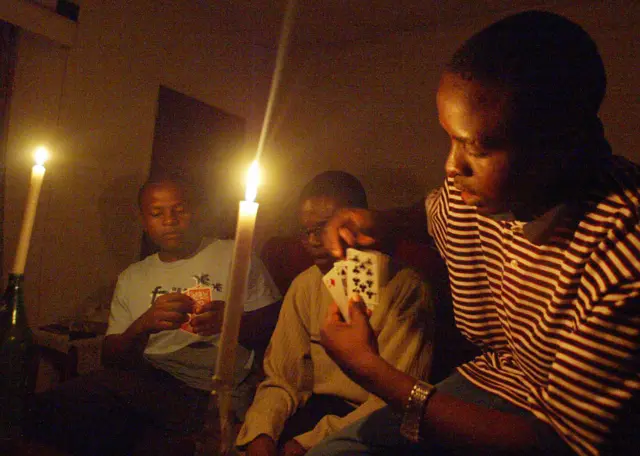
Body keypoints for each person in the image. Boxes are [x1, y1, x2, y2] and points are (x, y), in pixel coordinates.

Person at [308, 11, 640, 456]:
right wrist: (381, 221)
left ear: (562, 147)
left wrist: (373, 372)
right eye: (450, 138)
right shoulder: (475, 192)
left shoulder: (624, 254)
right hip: (498, 378)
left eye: (478, 148)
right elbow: (430, 216)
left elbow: (559, 444)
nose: (451, 167)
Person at [25, 175, 282, 456]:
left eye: (179, 209)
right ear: (143, 220)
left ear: (194, 210)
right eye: (157, 213)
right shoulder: (133, 277)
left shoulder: (234, 255)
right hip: (153, 381)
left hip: (215, 391)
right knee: (63, 409)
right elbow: (111, 358)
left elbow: (277, 327)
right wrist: (142, 326)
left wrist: (232, 321)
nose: (169, 220)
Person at [236, 171, 434, 456]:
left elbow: (396, 403)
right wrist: (261, 432)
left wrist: (307, 443)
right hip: (313, 411)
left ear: (358, 222)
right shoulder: (305, 285)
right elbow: (282, 377)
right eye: (306, 232)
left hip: (374, 423)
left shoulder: (406, 288)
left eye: (324, 228)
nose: (315, 241)